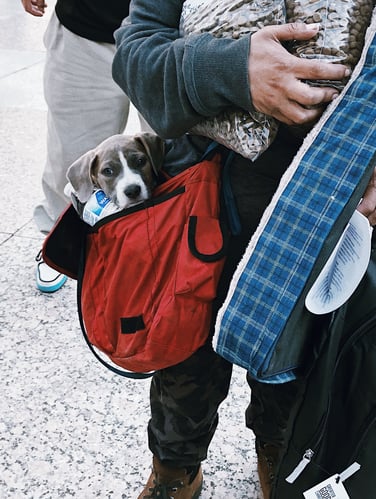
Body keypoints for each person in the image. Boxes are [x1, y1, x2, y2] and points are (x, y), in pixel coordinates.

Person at [112, 2, 376, 498]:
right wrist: (230, 70)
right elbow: (133, 56)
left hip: (328, 209)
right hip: (199, 205)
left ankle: (281, 458)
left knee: (298, 374)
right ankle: (175, 471)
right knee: (183, 363)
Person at [22, 0, 151, 293]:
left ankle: (172, 248)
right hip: (86, 29)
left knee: (177, 156)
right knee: (72, 155)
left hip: (171, 31)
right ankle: (59, 243)